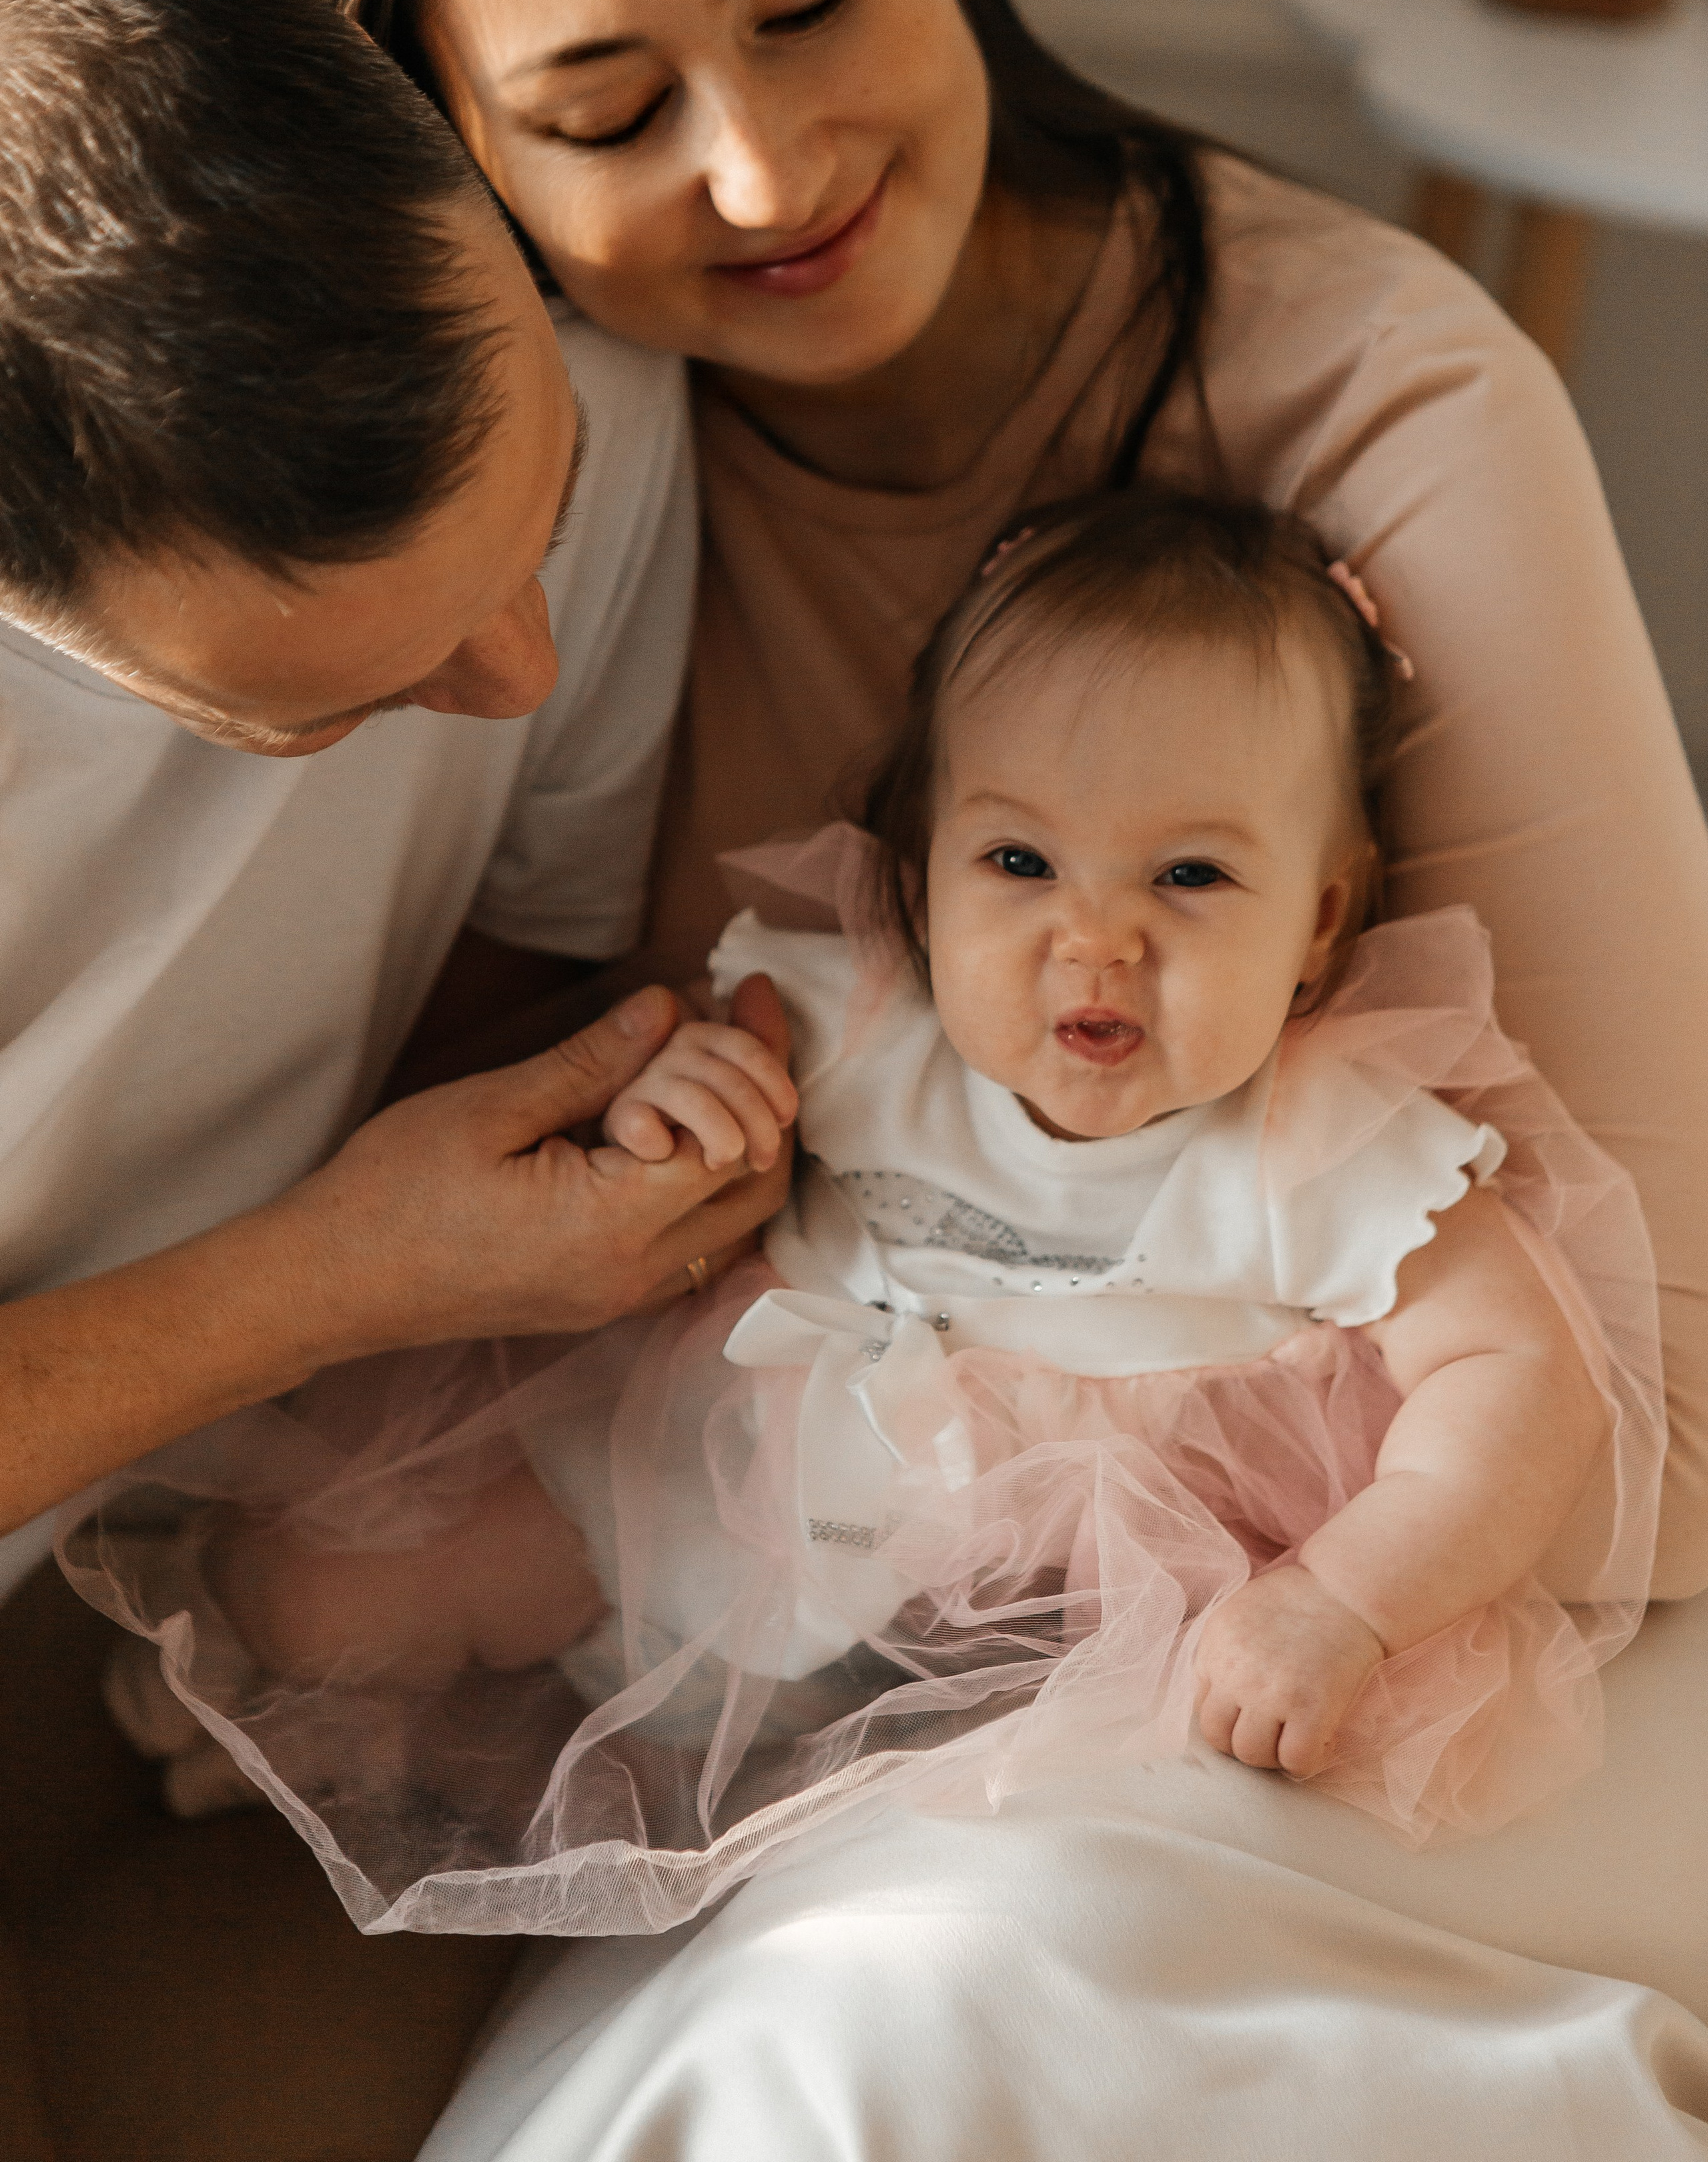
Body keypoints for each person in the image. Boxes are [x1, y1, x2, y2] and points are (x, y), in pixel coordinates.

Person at [17, 0, 1708, 2149]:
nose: (762, 170)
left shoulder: (1373, 404)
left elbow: (1653, 1372)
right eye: (601, 110)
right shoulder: (536, 454)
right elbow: (513, 1103)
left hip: (1312, 1599)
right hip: (777, 1545)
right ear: (453, 166)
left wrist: (1205, 1573)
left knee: (913, 2043)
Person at [84, 492, 1661, 1935]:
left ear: (1318, 920)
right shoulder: (849, 1024)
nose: (1091, 941)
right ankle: (291, 1731)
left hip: (1056, 1658)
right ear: (919, 879)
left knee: (1062, 1901)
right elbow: (655, 1173)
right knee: (344, 1585)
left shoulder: (1321, 1142)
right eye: (1020, 860)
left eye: (1187, 876)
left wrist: (1341, 1601)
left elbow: (1520, 1378)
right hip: (714, 1487)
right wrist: (670, 1121)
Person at [0, 0, 785, 2153]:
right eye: (360, 695)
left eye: (528, 528)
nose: (517, 674)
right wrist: (345, 1272)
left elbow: (546, 974)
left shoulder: (596, 409)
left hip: (178, 1553)